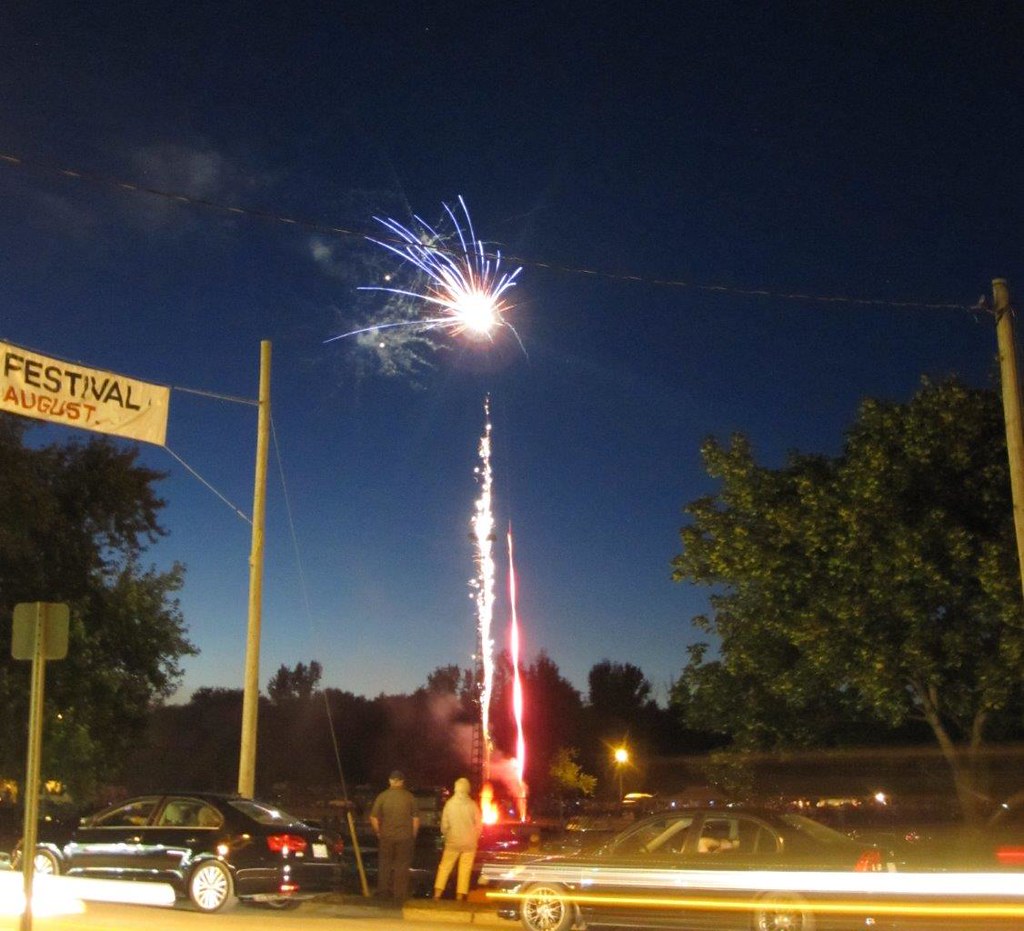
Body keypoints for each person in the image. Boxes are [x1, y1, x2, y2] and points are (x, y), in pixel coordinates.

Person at [369, 770, 420, 902]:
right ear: (402, 782)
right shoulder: (409, 797)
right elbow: (415, 819)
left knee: (384, 864)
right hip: (405, 837)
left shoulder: (382, 796)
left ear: (390, 781)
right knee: (402, 866)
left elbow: (373, 817)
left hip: (386, 836)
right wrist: (413, 834)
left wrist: (379, 832)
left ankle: (383, 892)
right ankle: (399, 894)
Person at [433, 776, 483, 902]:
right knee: (465, 869)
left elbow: (444, 825)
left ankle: (437, 893)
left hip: (452, 841)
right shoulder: (472, 805)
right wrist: (475, 836)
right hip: (469, 843)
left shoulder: (449, 805)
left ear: (456, 788)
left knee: (445, 867)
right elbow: (479, 825)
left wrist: (447, 835)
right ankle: (460, 896)